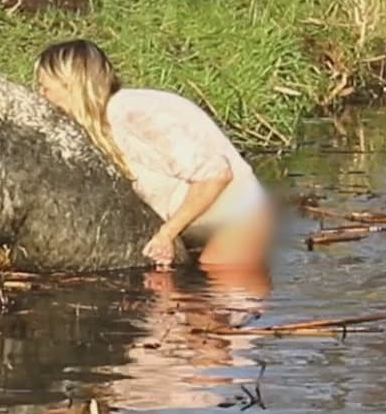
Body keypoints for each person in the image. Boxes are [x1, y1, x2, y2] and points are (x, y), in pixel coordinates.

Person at [34, 39, 275, 276]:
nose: (41, 97)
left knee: (214, 284)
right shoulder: (100, 124)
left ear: (71, 86)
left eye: (46, 89)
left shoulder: (131, 112)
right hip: (199, 226)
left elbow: (216, 173)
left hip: (240, 218)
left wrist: (166, 234)